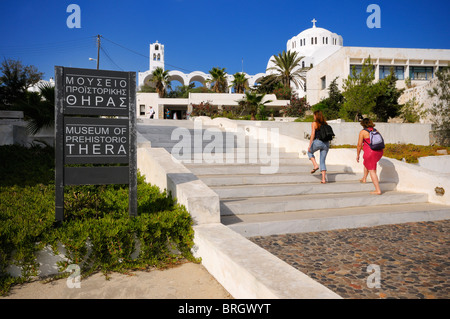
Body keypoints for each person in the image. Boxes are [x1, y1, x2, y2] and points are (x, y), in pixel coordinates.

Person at [356, 118, 383, 195]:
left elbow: (359, 145)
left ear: (363, 124)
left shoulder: (363, 132)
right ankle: (364, 178)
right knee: (367, 163)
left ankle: (378, 190)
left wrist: (357, 155)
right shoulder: (375, 130)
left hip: (370, 152)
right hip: (379, 151)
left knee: (372, 171)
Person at [307, 110, 329, 184]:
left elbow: (313, 134)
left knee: (309, 152)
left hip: (318, 142)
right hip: (326, 143)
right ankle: (323, 179)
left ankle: (315, 165)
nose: (313, 117)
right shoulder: (325, 123)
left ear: (316, 116)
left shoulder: (314, 123)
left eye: (314, 115)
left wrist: (310, 145)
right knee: (322, 161)